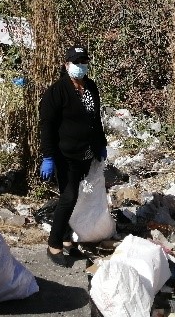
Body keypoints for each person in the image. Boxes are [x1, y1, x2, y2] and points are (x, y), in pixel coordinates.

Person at [39, 44, 108, 268]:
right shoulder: (57, 92)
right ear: (66, 64)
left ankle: (67, 238)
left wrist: (101, 144)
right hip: (64, 154)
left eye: (83, 62)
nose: (80, 66)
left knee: (74, 197)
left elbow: (95, 120)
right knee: (68, 196)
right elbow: (47, 126)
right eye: (76, 62)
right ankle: (54, 243)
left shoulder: (90, 87)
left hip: (85, 153)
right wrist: (48, 156)